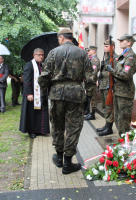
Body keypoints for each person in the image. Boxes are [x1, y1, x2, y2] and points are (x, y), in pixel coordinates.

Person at [38, 28, 94, 174]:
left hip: (56, 94)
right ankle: (68, 162)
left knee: (57, 126)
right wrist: (89, 96)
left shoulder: (53, 52)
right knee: (73, 128)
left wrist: (44, 95)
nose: (58, 41)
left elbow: (44, 76)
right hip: (76, 95)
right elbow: (90, 77)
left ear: (62, 38)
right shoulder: (82, 53)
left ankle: (58, 157)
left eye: (58, 39)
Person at [107, 34, 136, 137]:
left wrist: (112, 71)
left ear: (129, 42)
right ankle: (122, 140)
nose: (120, 42)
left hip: (125, 93)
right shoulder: (123, 56)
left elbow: (126, 74)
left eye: (122, 40)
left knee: (123, 120)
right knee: (118, 119)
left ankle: (125, 144)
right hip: (118, 91)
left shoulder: (130, 56)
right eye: (119, 40)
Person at [19, 48, 50, 139]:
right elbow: (26, 80)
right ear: (34, 55)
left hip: (42, 93)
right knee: (32, 113)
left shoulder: (43, 65)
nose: (41, 56)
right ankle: (32, 131)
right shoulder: (29, 65)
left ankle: (41, 130)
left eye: (42, 55)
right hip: (32, 93)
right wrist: (29, 93)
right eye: (39, 55)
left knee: (41, 111)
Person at [97, 40, 118, 136]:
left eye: (106, 46)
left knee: (109, 107)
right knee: (105, 106)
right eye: (104, 46)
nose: (104, 48)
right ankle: (106, 124)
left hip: (109, 86)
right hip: (103, 85)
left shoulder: (115, 58)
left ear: (112, 47)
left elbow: (115, 73)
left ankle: (109, 127)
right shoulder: (106, 58)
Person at [84, 46, 100, 120]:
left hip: (92, 83)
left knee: (93, 98)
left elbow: (94, 72)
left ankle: (92, 114)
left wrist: (89, 79)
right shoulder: (91, 59)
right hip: (89, 82)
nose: (88, 52)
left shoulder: (95, 60)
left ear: (93, 51)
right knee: (89, 97)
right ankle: (89, 112)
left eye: (89, 50)